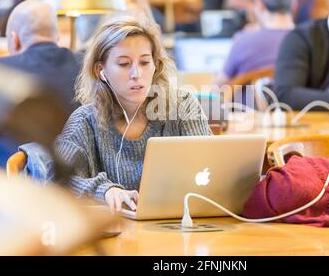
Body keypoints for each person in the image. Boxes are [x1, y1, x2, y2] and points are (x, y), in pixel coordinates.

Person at [55, 18, 212, 212]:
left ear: (156, 65)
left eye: (145, 62)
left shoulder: (183, 106)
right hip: (116, 236)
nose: (136, 73)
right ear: (101, 71)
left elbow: (209, 167)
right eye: (124, 64)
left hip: (179, 227)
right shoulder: (85, 121)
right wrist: (104, 190)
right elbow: (57, 180)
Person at [0, 0, 80, 167]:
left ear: (15, 40)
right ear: (57, 37)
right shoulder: (88, 69)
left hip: (5, 181)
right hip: (73, 181)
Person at [214, 0, 297, 87]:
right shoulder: (309, 41)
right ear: (294, 4)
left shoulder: (244, 40)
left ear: (260, 4)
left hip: (247, 105)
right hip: (298, 105)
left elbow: (218, 87)